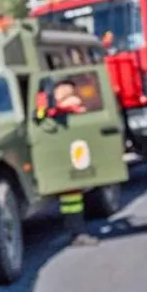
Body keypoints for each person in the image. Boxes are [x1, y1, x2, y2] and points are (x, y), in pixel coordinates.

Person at [36, 80, 98, 247]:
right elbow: (41, 116)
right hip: (60, 159)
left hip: (68, 160)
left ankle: (77, 232)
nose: (71, 93)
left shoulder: (61, 105)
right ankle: (78, 233)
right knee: (71, 203)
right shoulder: (46, 104)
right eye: (67, 90)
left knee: (73, 202)